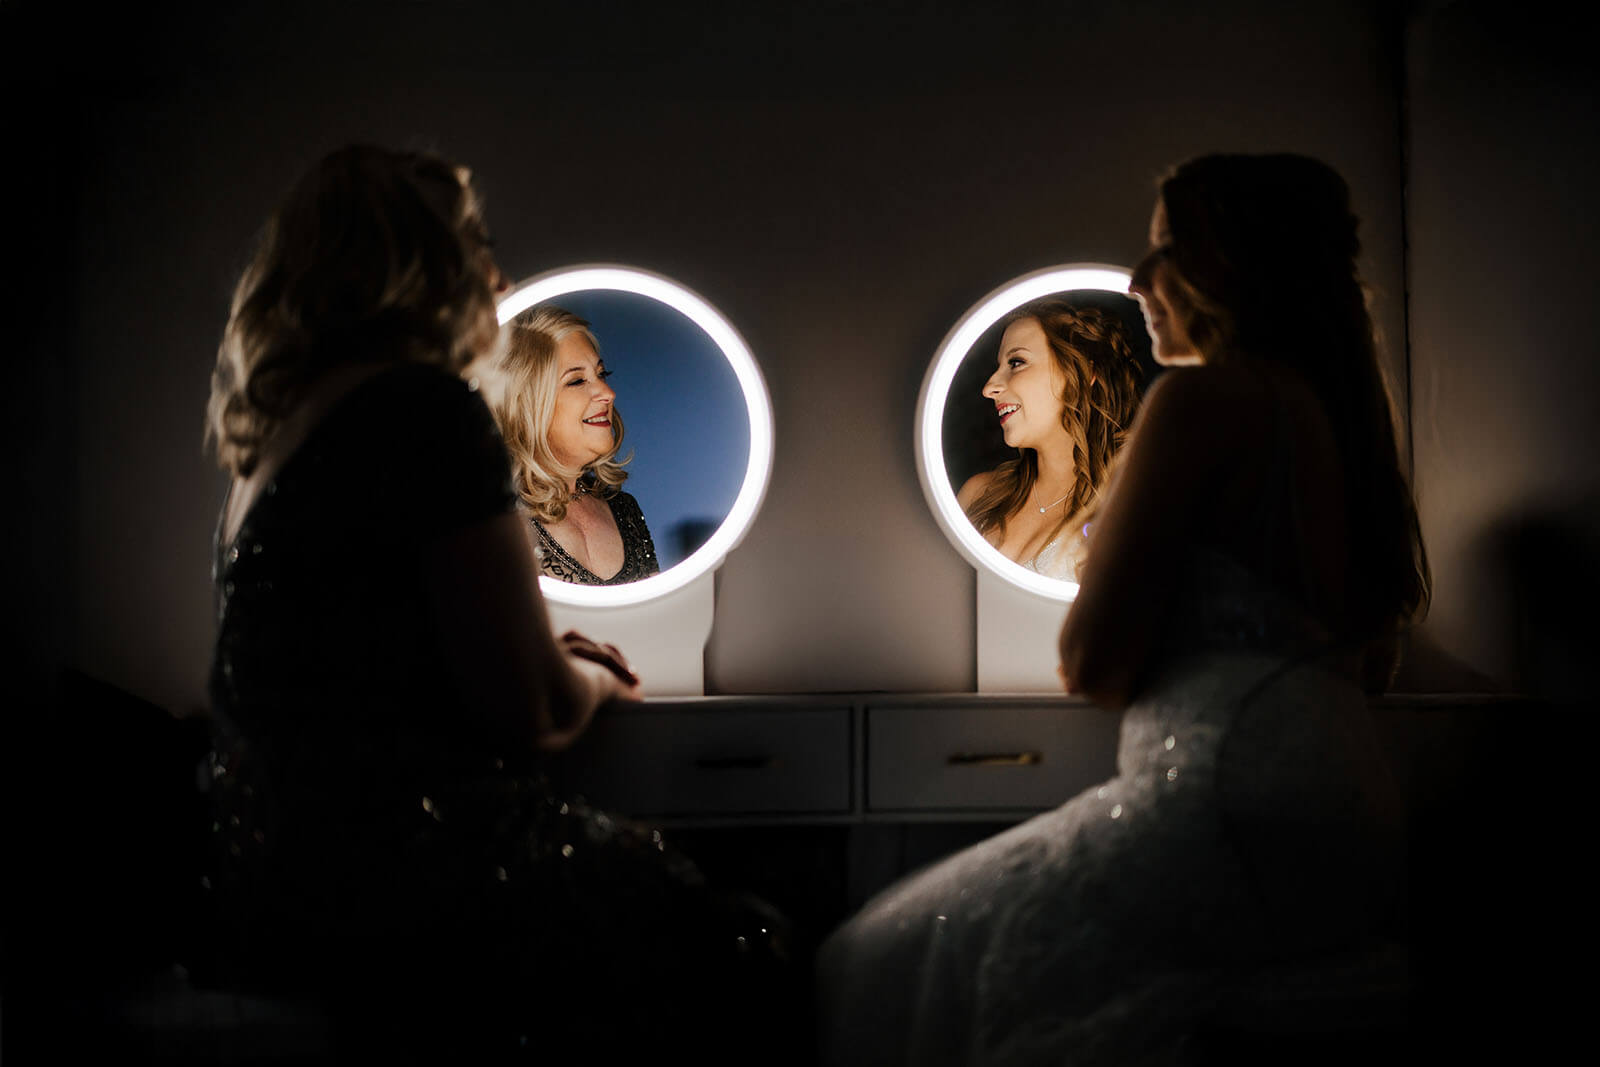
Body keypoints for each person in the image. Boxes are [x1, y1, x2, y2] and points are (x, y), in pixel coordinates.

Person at [816, 153, 1426, 1065]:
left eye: (1166, 250)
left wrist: (1113, 568)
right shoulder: (1334, 416)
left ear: (1232, 266)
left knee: (877, 955)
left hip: (1225, 801)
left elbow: (1092, 665)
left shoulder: (1200, 401)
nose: (1139, 280)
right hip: (1345, 804)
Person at [201, 145, 793, 1063]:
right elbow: (536, 708)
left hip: (271, 871)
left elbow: (369, 654)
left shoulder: (282, 433)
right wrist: (591, 677)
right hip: (401, 874)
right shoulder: (422, 411)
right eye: (474, 239)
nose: (496, 270)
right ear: (419, 260)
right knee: (748, 940)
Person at [956, 299, 1143, 582]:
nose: (989, 388)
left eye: (1016, 363)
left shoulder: (1130, 510)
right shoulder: (977, 496)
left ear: (1082, 373)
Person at [484, 305, 660, 585]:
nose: (608, 393)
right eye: (577, 380)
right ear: (526, 405)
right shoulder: (492, 522)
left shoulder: (624, 510)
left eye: (602, 374)